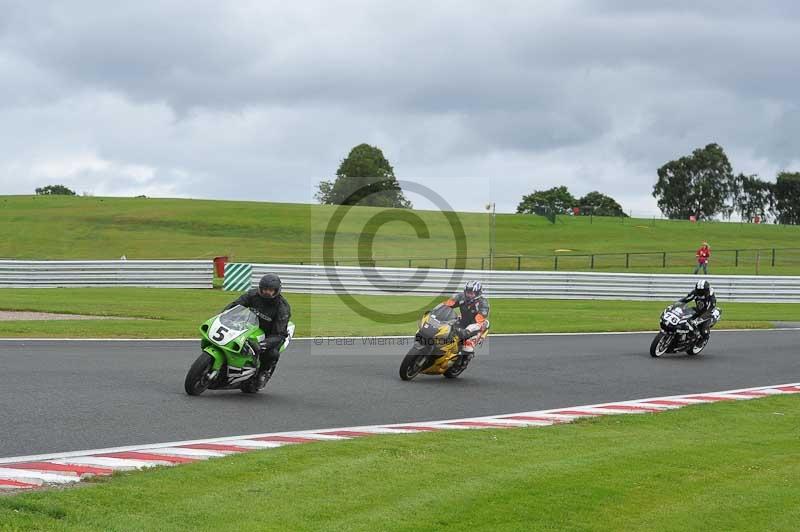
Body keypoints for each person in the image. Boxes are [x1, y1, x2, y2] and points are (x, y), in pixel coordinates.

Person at [224, 273, 291, 389]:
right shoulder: (252, 295)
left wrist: (262, 345)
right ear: (260, 288)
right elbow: (235, 305)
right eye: (265, 289)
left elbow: (279, 334)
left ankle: (263, 373)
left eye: (270, 290)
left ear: (276, 291)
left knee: (272, 353)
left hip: (269, 335)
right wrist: (223, 315)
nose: (267, 292)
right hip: (249, 326)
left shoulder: (282, 308)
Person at [442, 280, 490, 367]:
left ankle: (464, 359)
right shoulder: (460, 297)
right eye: (468, 292)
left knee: (467, 347)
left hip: (477, 326)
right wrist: (437, 311)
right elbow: (447, 305)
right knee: (445, 329)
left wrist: (466, 331)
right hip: (463, 321)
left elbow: (479, 319)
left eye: (472, 293)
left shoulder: (483, 303)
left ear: (478, 293)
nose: (469, 295)